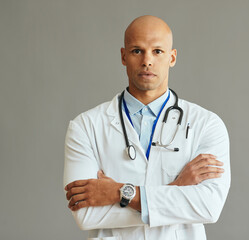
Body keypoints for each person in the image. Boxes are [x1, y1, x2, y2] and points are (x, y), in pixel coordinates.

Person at [63, 15, 230, 240]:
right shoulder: (85, 126)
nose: (147, 61)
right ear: (123, 56)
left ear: (172, 57)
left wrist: (118, 193)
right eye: (137, 51)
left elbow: (209, 207)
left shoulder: (207, 124)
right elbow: (86, 215)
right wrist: (177, 188)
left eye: (157, 51)